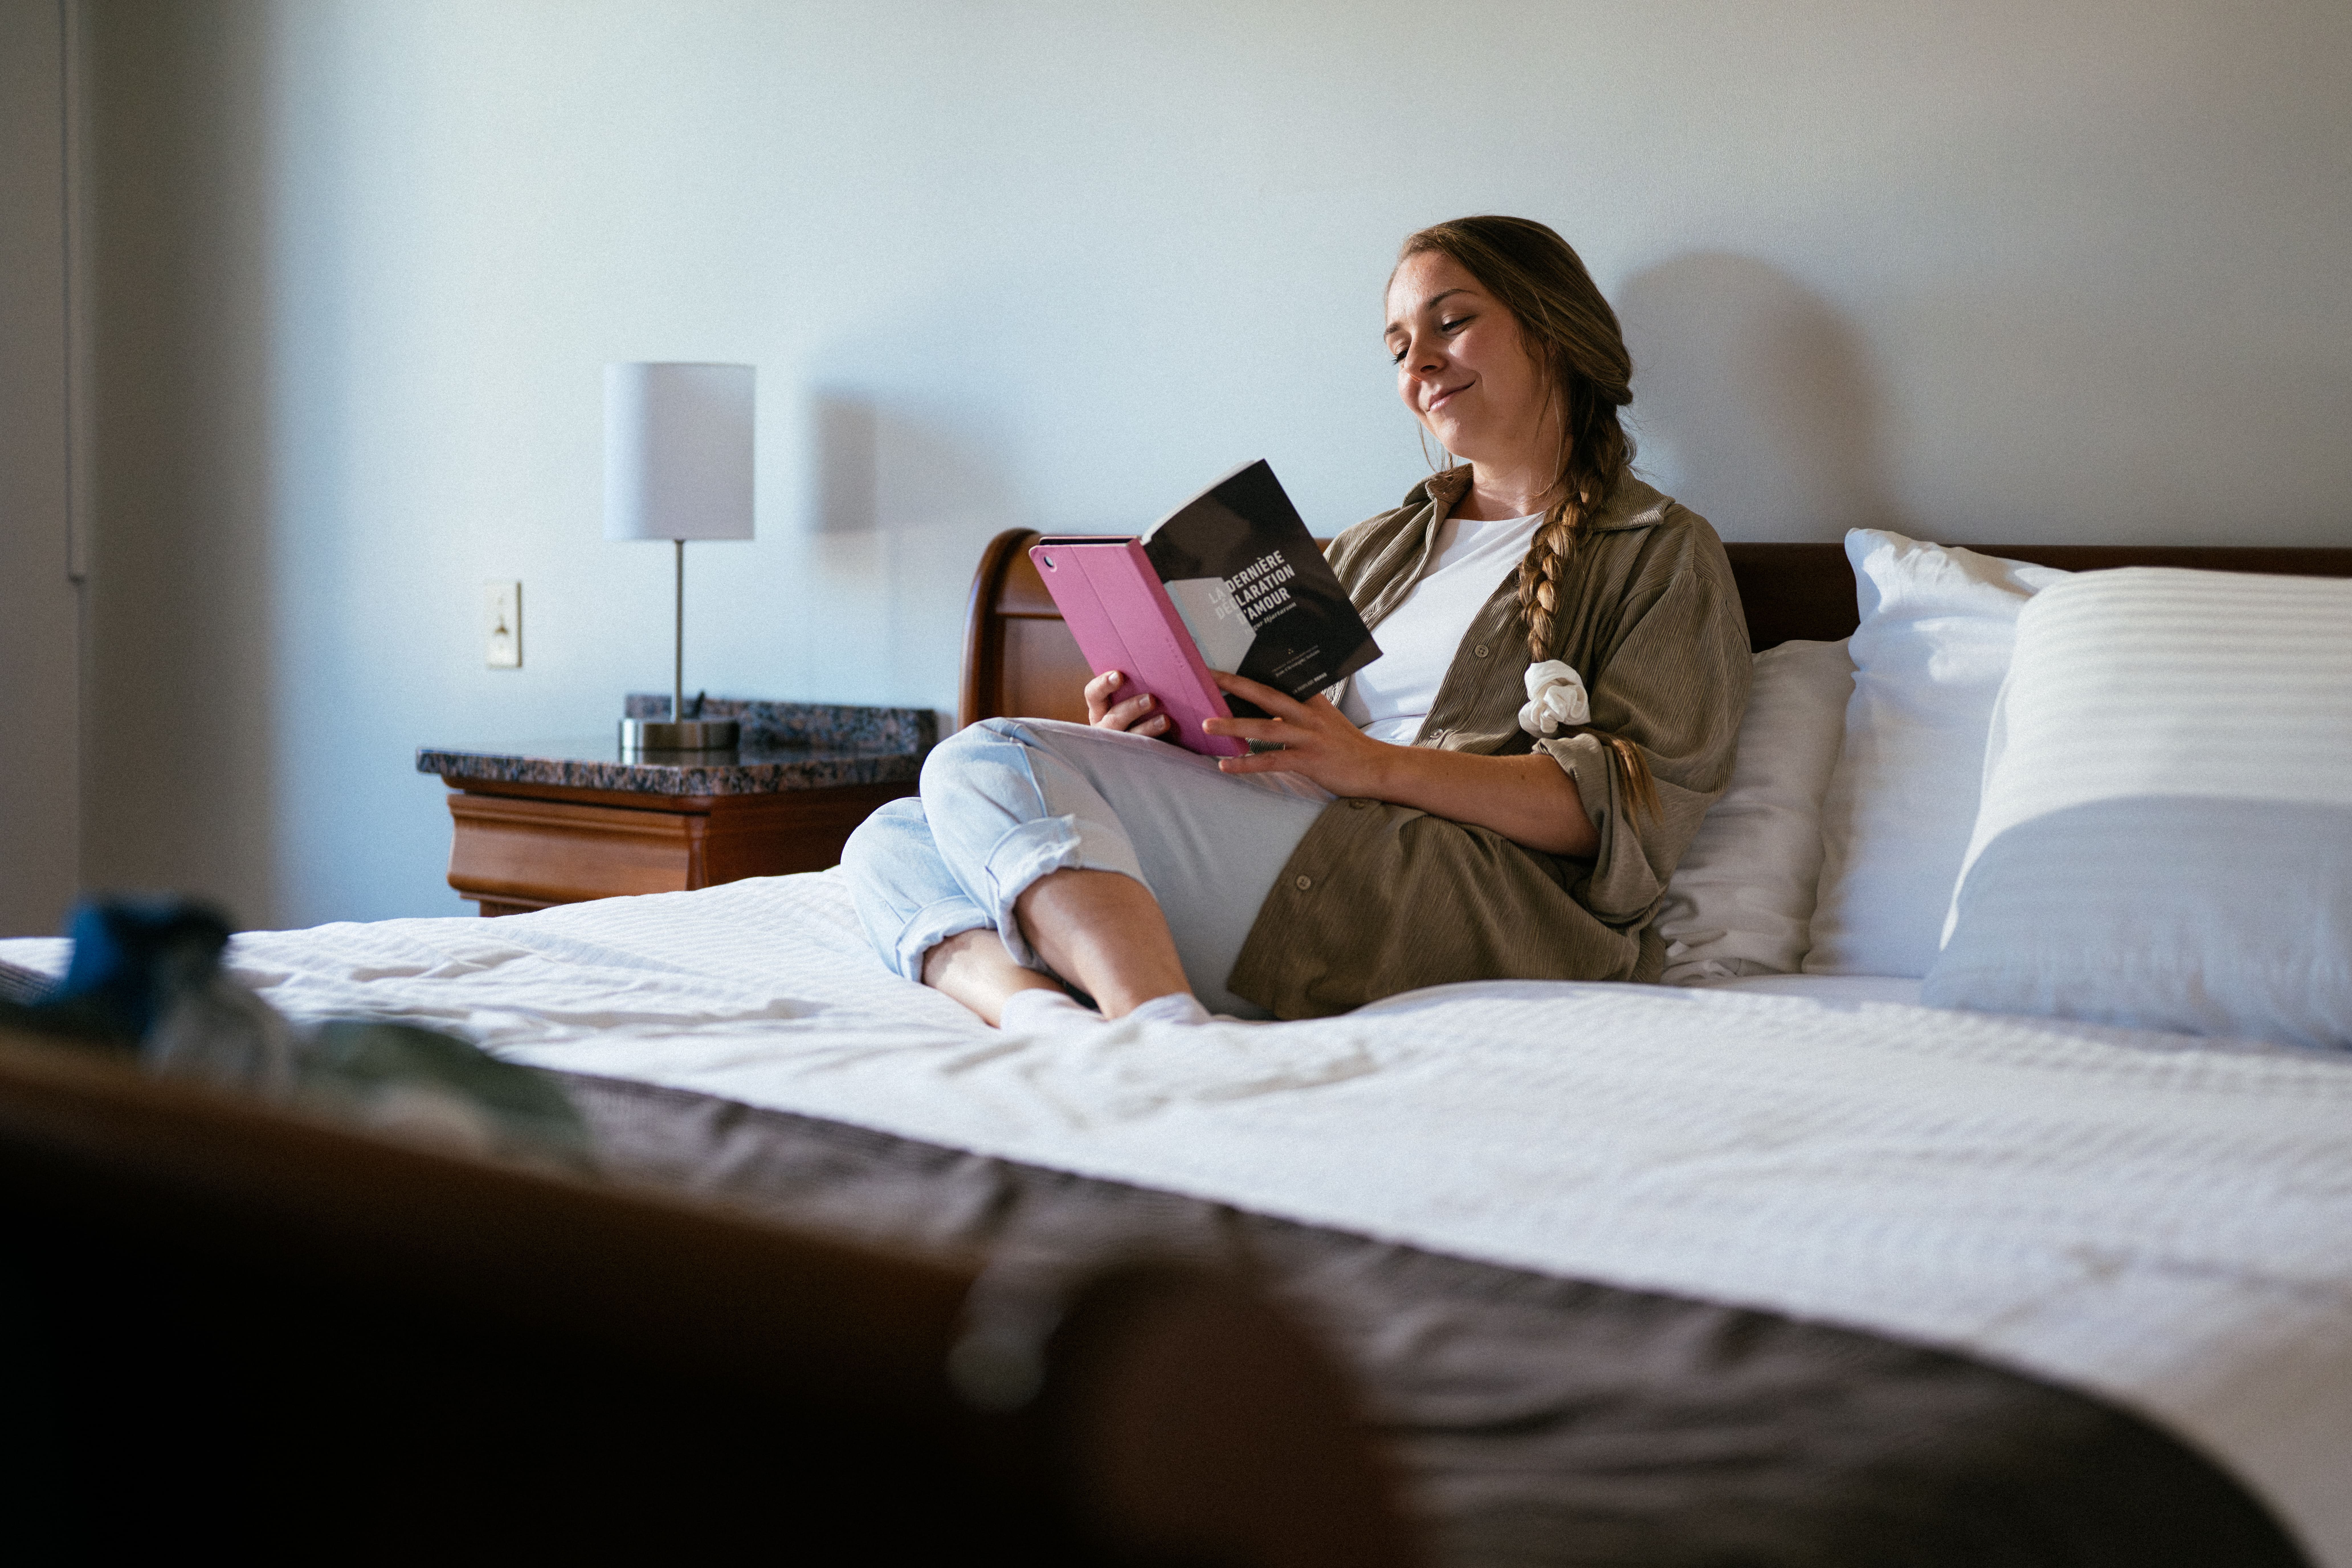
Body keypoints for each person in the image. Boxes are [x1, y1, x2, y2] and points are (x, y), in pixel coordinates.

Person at [841, 215, 1751, 1028]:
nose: (1419, 364)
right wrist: (1156, 740)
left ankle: (1155, 1030)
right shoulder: (1376, 547)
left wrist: (1374, 767)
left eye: (1451, 321)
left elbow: (1633, 812)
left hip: (1439, 888)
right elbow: (1276, 737)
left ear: (1553, 329)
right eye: (1398, 346)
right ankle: (1050, 1026)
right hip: (1288, 830)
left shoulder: (1657, 551)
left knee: (983, 758)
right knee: (890, 835)